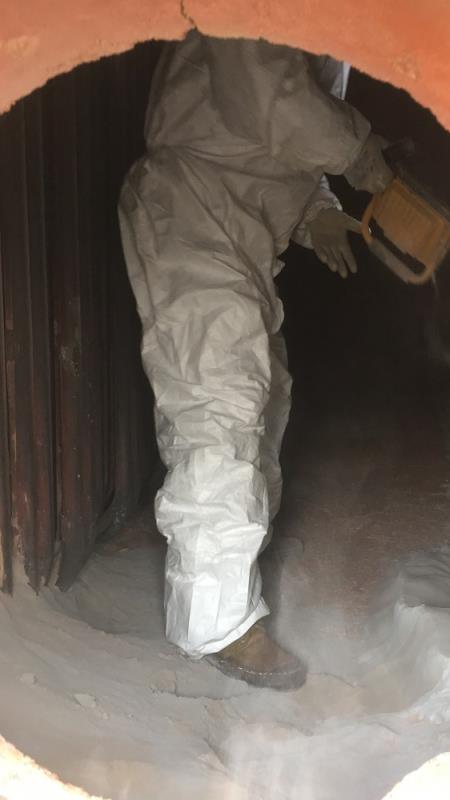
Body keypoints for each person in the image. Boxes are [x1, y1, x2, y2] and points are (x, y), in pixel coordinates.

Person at [119, 31, 392, 691]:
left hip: (239, 226)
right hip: (196, 208)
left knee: (261, 405)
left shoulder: (322, 28)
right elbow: (261, 90)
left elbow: (261, 137)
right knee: (220, 406)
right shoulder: (259, 14)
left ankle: (227, 578)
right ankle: (215, 623)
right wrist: (356, 150)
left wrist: (316, 210)